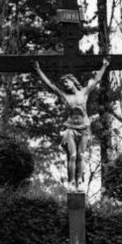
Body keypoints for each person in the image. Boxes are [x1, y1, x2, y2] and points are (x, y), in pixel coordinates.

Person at [33, 58, 109, 190]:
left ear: (72, 81)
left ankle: (80, 181)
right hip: (70, 128)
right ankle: (71, 181)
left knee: (81, 155)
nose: (65, 84)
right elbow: (50, 84)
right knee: (72, 155)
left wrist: (104, 66)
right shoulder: (65, 96)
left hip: (84, 128)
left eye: (66, 81)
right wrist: (38, 69)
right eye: (63, 82)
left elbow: (96, 80)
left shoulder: (84, 92)